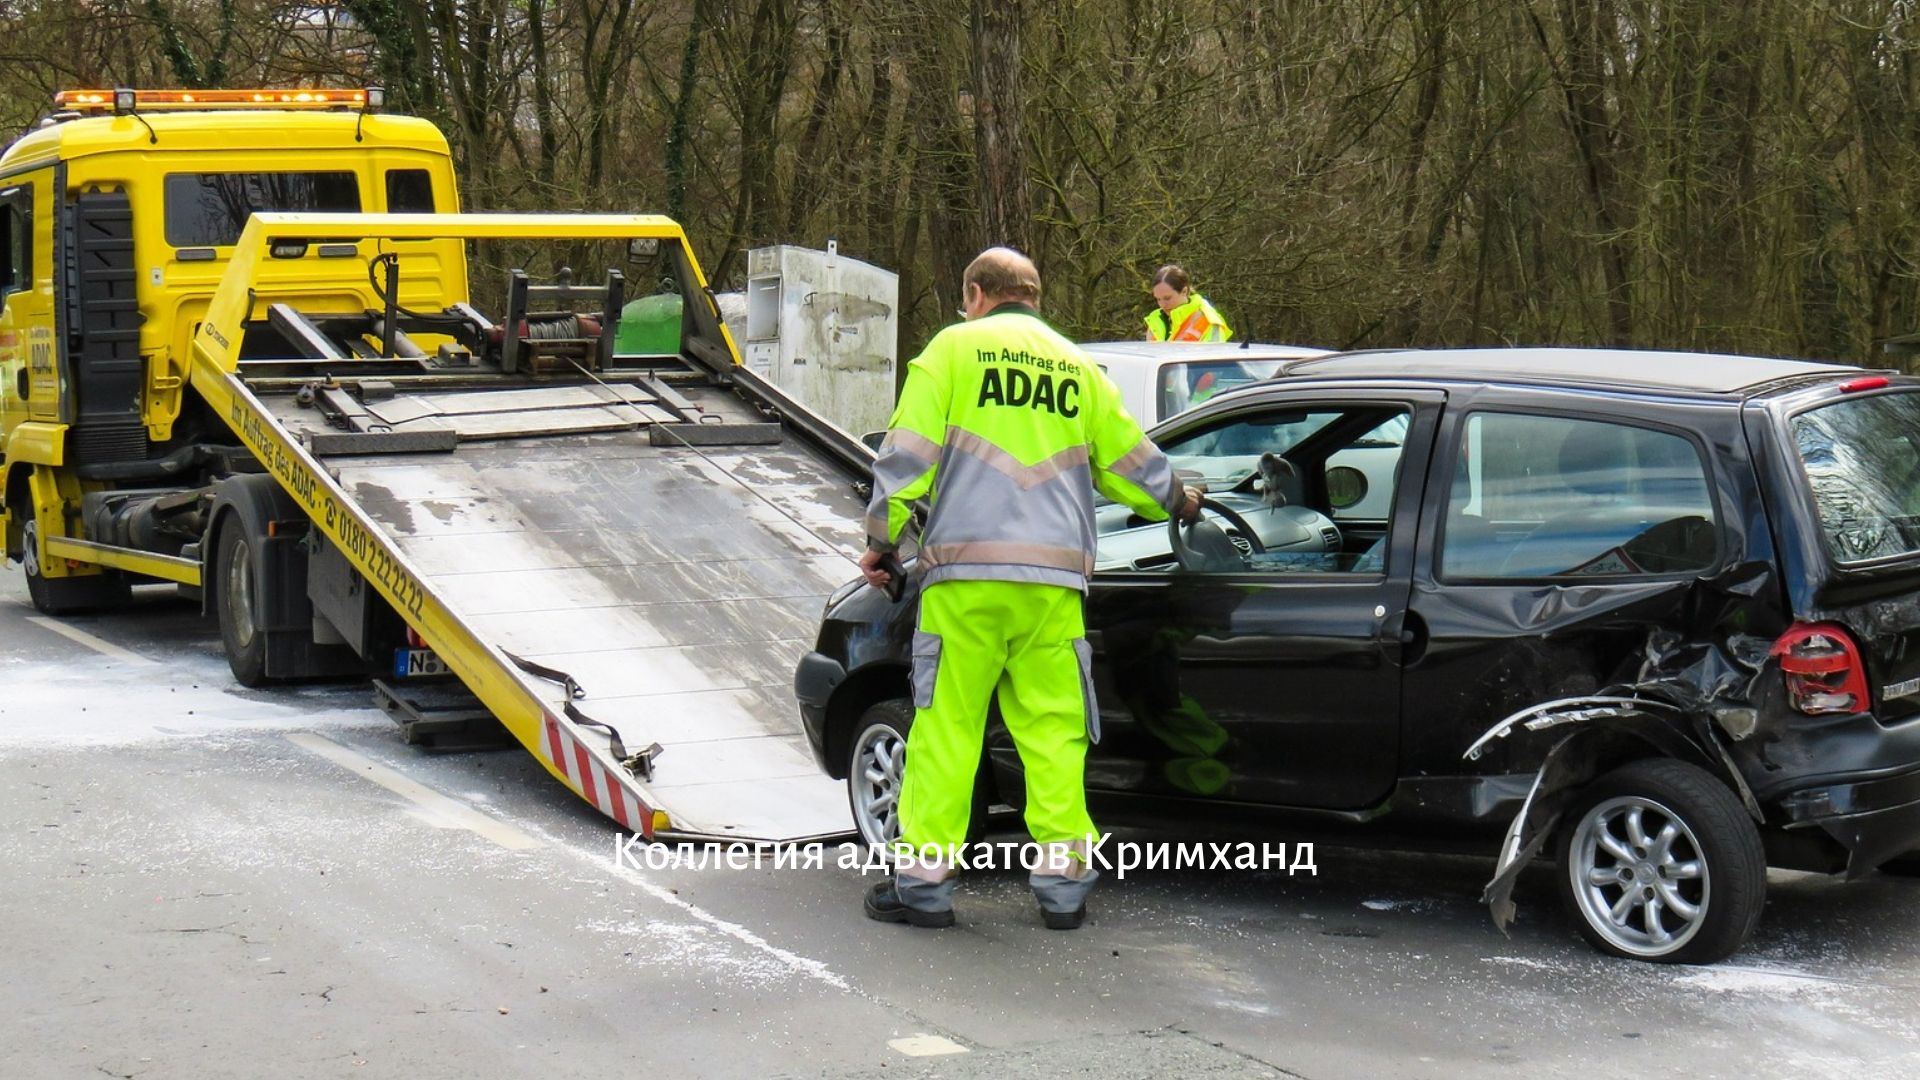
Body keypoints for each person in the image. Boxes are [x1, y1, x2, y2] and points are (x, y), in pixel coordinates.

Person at [858, 247, 1201, 930]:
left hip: (967, 580)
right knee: (1054, 732)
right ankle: (1062, 886)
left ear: (978, 294)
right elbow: (1131, 463)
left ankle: (923, 884)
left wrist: (880, 540)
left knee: (949, 727)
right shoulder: (1080, 369)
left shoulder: (952, 352)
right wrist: (1180, 500)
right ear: (1035, 298)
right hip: (1053, 585)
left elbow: (908, 458)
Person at [1143, 264, 1233, 343]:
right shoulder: (1155, 320)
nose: (1162, 304)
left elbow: (1213, 359)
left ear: (1184, 291)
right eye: (1158, 299)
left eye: (1167, 298)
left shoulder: (1209, 320)